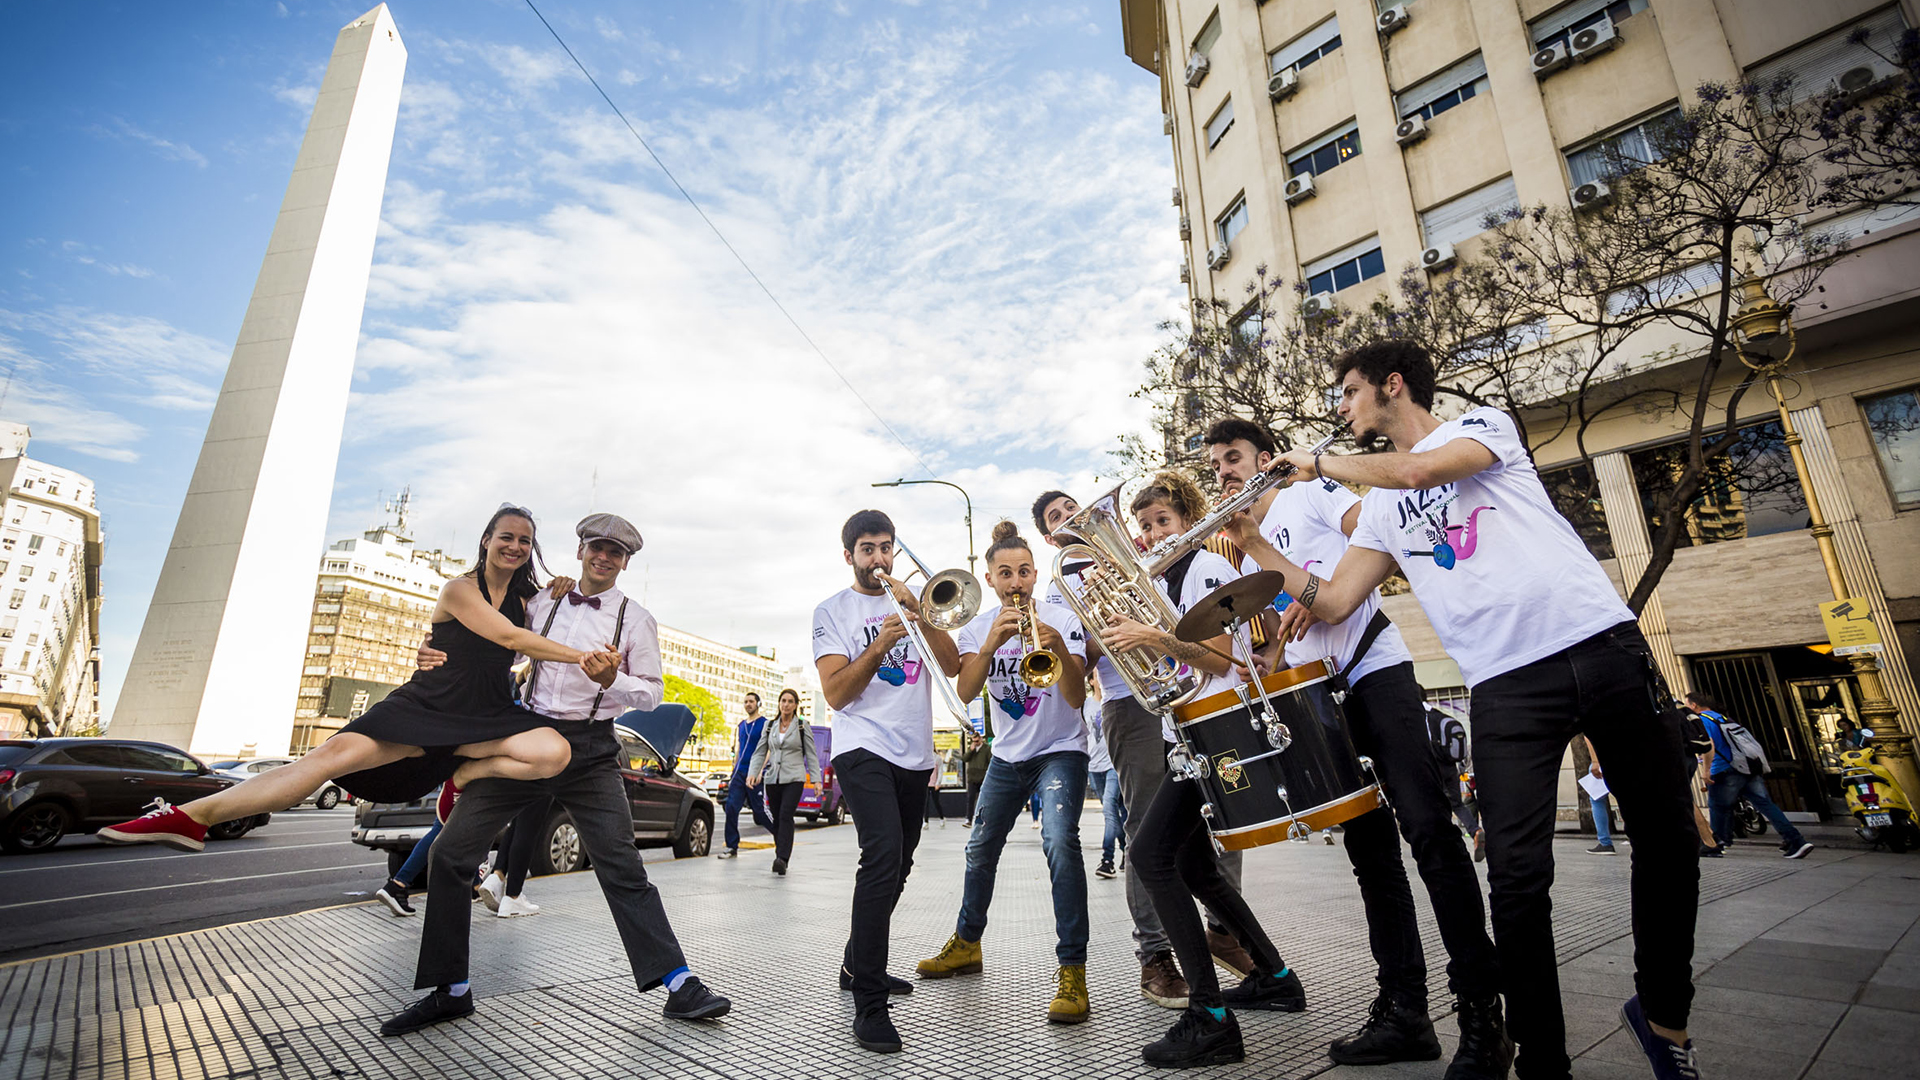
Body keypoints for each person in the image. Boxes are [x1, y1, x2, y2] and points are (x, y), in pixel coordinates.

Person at [1226, 340, 1703, 1080]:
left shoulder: (1480, 426)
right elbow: (1331, 598)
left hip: (1603, 647)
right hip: (1507, 685)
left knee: (1669, 842)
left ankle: (1664, 1017)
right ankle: (1543, 1061)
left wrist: (1316, 466)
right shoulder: (1381, 510)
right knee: (1516, 880)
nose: (1341, 410)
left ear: (1392, 386)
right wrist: (1258, 545)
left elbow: (1419, 469)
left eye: (1348, 393)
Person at [1207, 417, 1511, 1077]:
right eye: (1217, 465)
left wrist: (1324, 593)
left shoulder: (1306, 496)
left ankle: (1484, 1016)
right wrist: (1260, 651)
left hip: (1375, 671)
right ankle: (1404, 1011)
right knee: (1372, 858)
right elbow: (1275, 634)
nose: (1225, 472)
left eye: (1234, 458)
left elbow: (1377, 542)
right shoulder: (1235, 547)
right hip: (1318, 697)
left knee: (1430, 833)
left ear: (1264, 458)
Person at [381, 512, 730, 1035]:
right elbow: (483, 640)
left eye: (616, 552)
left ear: (626, 562)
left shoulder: (635, 618)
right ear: (581, 550)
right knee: (450, 855)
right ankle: (450, 990)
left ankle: (679, 984)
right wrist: (430, 653)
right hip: (529, 738)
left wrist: (613, 681)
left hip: (590, 750)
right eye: (597, 547)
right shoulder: (540, 600)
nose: (605, 558)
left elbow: (652, 691)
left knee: (621, 865)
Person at [101, 506, 595, 852]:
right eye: (505, 536)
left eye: (524, 540)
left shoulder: (530, 599)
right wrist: (584, 657)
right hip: (428, 706)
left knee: (553, 753)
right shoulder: (460, 588)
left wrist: (563, 586)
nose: (514, 546)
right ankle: (191, 817)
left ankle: (462, 772)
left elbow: (536, 633)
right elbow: (509, 639)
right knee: (326, 759)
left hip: (487, 713)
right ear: (486, 540)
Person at [1102, 471, 1307, 1069]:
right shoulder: (1163, 580)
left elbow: (1217, 658)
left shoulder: (1208, 573)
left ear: (1189, 522)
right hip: (1189, 731)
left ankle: (1210, 1017)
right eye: (1144, 527)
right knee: (1194, 866)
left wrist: (1154, 636)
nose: (1151, 533)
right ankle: (1274, 975)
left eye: (1163, 522)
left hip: (1217, 731)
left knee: (1148, 857)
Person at [915, 521, 1093, 1024]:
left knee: (1060, 843)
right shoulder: (976, 627)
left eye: (1023, 572)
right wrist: (990, 644)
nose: (1015, 582)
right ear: (989, 580)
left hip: (1061, 750)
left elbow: (1077, 698)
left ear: (1035, 574)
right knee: (979, 848)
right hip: (1007, 757)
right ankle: (968, 943)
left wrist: (1058, 647)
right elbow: (967, 692)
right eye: (1004, 574)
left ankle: (1072, 969)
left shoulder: (1063, 618)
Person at [814, 509, 962, 1053]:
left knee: (899, 862)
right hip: (862, 746)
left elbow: (950, 667)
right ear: (848, 554)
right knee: (880, 857)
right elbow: (835, 694)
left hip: (915, 752)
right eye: (867, 548)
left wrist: (920, 616)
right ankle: (869, 1004)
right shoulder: (831, 611)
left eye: (886, 548)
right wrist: (880, 642)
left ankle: (857, 965)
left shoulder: (916, 602)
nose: (878, 558)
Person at [1692, 692, 1813, 859]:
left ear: (1694, 706)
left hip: (1725, 768)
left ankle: (1716, 845)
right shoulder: (1722, 718)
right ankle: (1795, 840)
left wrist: (1705, 771)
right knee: (1765, 804)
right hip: (1746, 767)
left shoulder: (1702, 720)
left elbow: (1709, 744)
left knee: (1718, 807)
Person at [746, 688, 816, 875]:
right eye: (783, 701)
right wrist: (753, 772)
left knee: (786, 815)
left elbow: (811, 754)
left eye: (790, 701)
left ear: (795, 705)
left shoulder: (802, 726)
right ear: (779, 703)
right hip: (773, 778)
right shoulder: (770, 726)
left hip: (794, 778)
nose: (786, 704)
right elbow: (760, 751)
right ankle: (780, 854)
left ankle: (782, 858)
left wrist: (816, 780)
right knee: (777, 818)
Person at [717, 693, 777, 859]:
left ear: (758, 703)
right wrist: (733, 770)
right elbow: (738, 749)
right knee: (731, 807)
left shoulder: (765, 724)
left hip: (754, 773)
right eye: (745, 702)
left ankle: (780, 836)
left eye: (751, 701)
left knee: (759, 812)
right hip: (739, 773)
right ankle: (731, 846)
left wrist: (759, 771)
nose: (748, 704)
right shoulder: (741, 725)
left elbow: (768, 749)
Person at [475, 796, 554, 916]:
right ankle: (513, 896)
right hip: (541, 778)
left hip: (518, 780)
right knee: (530, 822)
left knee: (518, 821)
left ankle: (497, 876)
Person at [1084, 679, 1125, 879]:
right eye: (1097, 675)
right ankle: (1127, 849)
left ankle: (1107, 860)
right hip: (1094, 766)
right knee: (1119, 812)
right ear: (1092, 681)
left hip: (1112, 764)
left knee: (1109, 809)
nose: (1101, 677)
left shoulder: (1112, 699)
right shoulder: (1086, 705)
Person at [1583, 736, 1619, 856]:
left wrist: (1595, 761)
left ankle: (1605, 843)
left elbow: (1589, 737)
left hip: (1602, 759)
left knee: (1597, 800)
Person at [961, 730, 992, 825]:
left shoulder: (986, 748)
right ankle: (969, 819)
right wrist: (971, 750)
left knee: (983, 799)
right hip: (972, 777)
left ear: (981, 739)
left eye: (977, 741)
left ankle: (983, 818)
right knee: (970, 798)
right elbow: (964, 759)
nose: (975, 743)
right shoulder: (971, 749)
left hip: (982, 777)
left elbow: (990, 761)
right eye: (973, 741)